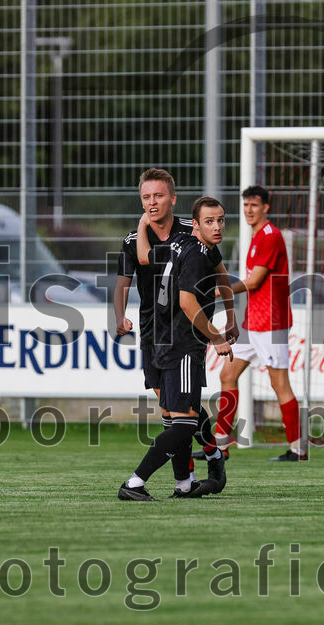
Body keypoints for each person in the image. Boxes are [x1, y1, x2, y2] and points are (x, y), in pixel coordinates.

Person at [114, 169, 236, 496]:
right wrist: (217, 336)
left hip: (175, 337)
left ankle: (186, 480)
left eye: (220, 220)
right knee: (179, 418)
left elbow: (219, 276)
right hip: (169, 337)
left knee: (179, 415)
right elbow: (184, 300)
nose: (217, 226)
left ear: (173, 199)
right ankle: (140, 482)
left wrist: (231, 316)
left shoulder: (187, 239)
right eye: (146, 197)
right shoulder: (185, 248)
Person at [215, 185, 302, 461]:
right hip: (254, 321)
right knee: (227, 375)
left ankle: (298, 450)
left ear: (265, 207)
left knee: (280, 384)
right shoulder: (256, 236)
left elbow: (254, 281)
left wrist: (221, 290)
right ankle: (219, 446)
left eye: (254, 205)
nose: (248, 210)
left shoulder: (269, 236)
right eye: (245, 205)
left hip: (272, 322)